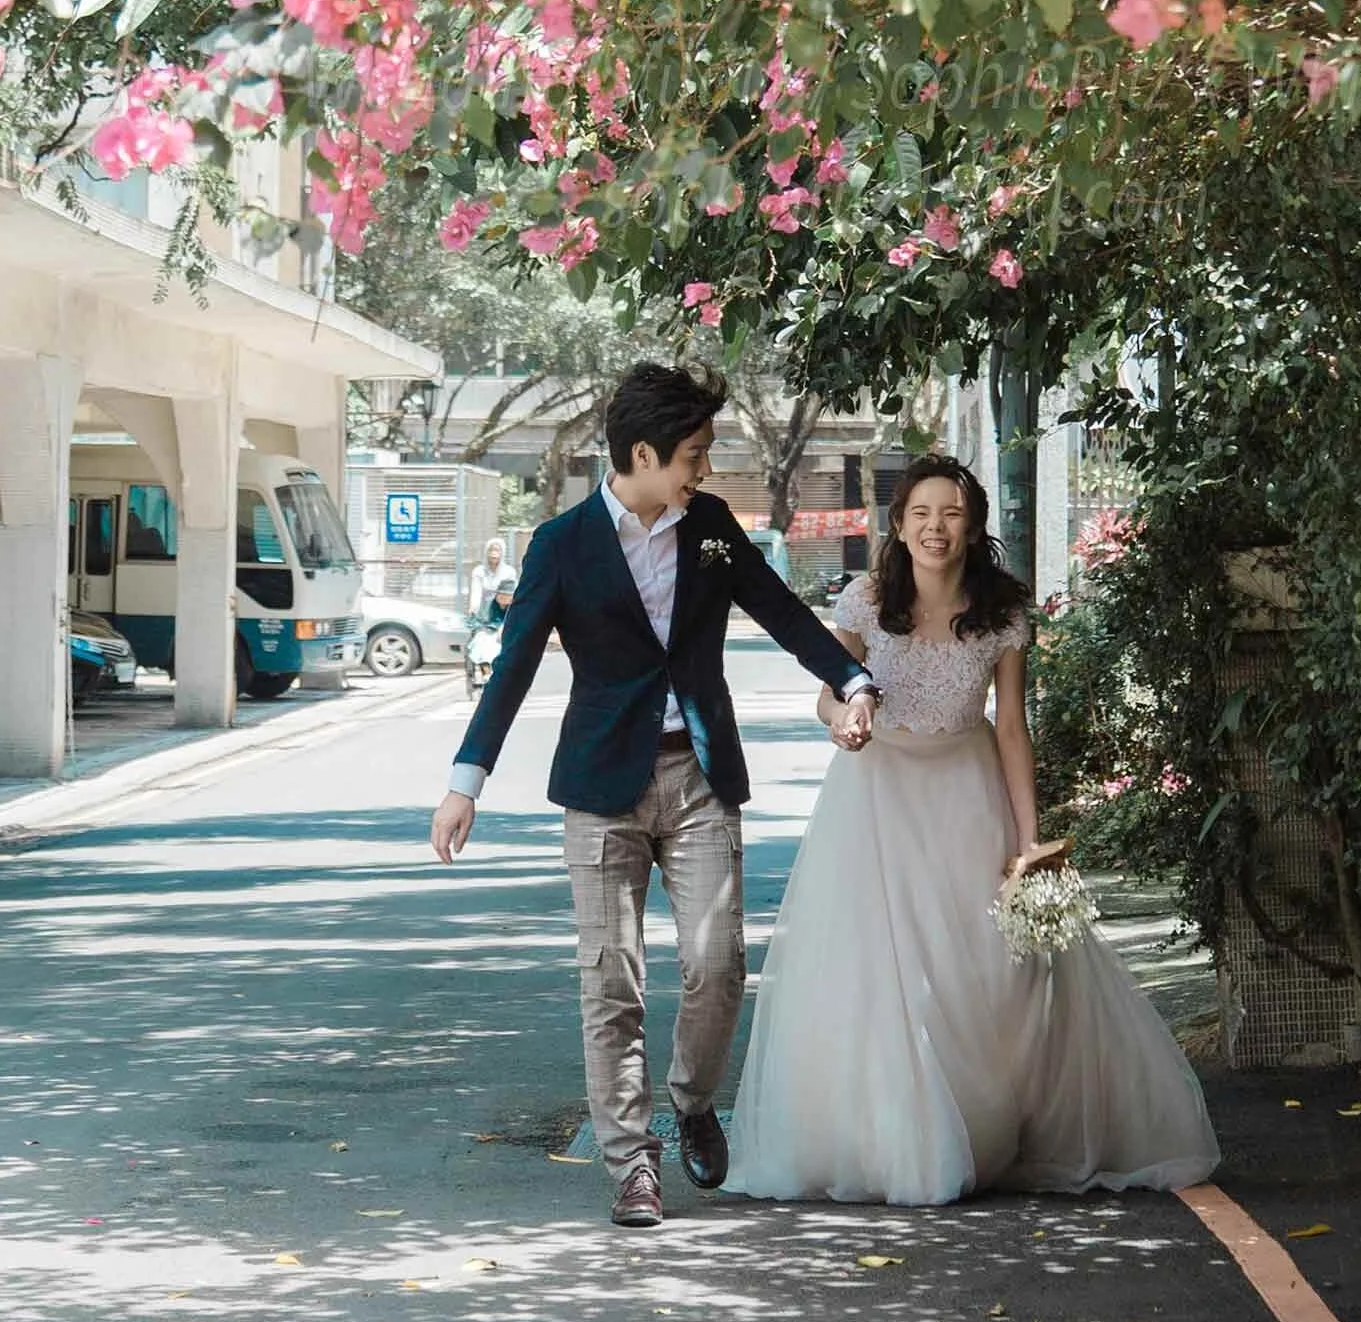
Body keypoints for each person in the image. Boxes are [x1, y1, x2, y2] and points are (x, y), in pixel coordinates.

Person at [430, 361, 877, 1228]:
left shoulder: (709, 526)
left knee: (719, 966)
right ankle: (633, 1163)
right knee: (613, 981)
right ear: (644, 452)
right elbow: (513, 666)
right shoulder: (561, 544)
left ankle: (693, 1100)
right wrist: (465, 781)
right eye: (694, 454)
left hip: (700, 774)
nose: (703, 470)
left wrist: (853, 679)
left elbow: (782, 612)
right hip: (601, 790)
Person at [728, 453, 1218, 1207]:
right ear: (899, 524)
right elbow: (829, 698)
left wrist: (1030, 840)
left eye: (951, 513)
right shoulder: (864, 599)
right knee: (880, 970)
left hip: (967, 789)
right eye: (921, 513)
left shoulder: (1004, 610)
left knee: (984, 968)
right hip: (876, 794)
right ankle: (900, 1140)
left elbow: (1012, 728)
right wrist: (844, 718)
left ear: (973, 524)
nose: (936, 527)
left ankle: (982, 1126)